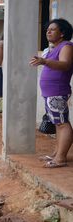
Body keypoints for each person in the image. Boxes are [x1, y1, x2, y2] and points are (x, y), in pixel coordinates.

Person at [30, 18, 73, 168]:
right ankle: (57, 153)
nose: (48, 31)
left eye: (52, 29)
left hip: (58, 91)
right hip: (51, 92)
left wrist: (44, 61)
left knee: (62, 123)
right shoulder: (54, 48)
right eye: (47, 29)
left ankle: (61, 158)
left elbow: (65, 64)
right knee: (58, 123)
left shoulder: (66, 46)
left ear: (62, 33)